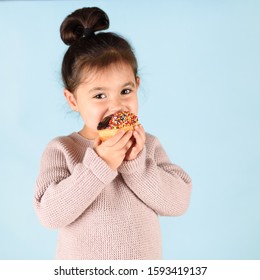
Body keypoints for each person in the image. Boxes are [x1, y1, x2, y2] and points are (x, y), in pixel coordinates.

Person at [34, 7, 192, 260]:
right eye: (99, 95)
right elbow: (50, 215)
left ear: (137, 86)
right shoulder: (62, 149)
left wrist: (137, 166)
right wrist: (100, 164)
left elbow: (178, 203)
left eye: (125, 92)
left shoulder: (147, 145)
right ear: (72, 100)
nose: (116, 105)